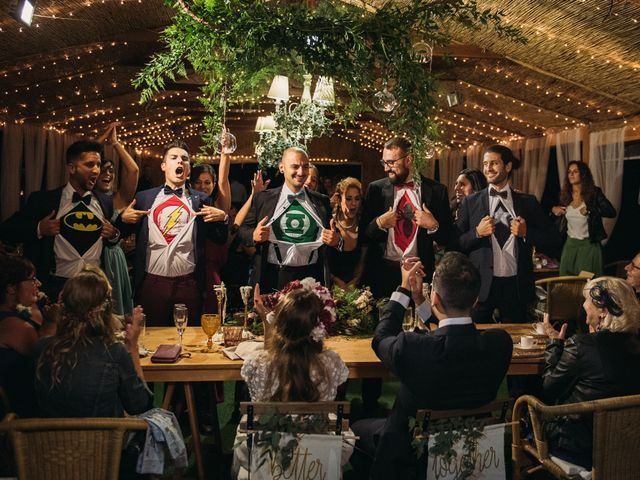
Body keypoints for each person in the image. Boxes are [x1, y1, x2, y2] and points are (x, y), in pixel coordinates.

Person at [351, 252, 512, 479]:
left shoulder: (413, 348)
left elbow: (381, 338)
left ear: (435, 299)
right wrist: (419, 300)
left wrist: (404, 289)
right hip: (472, 439)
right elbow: (447, 330)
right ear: (475, 300)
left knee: (357, 429)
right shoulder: (499, 344)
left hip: (412, 447)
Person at [232, 284, 351, 478]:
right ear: (319, 325)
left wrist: (265, 319)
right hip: (317, 456)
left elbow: (271, 356)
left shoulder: (257, 363)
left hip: (266, 455)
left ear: (278, 322)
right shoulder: (331, 363)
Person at [117, 140, 228, 326]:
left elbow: (219, 238)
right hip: (152, 284)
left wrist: (223, 218)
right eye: (174, 158)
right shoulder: (144, 198)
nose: (180, 162)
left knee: (188, 342)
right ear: (163, 165)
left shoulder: (201, 200)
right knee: (150, 338)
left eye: (184, 159)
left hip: (189, 284)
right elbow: (118, 233)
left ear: (188, 169)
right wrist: (123, 219)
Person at [0, 140, 120, 301]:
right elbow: (6, 230)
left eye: (98, 164)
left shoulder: (105, 202)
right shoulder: (43, 200)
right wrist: (39, 228)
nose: (96, 170)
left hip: (94, 285)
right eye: (90, 164)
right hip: (55, 285)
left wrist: (113, 234)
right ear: (71, 168)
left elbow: (114, 240)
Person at [453, 144, 561, 323]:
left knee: (514, 343)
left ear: (508, 166)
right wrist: (477, 233)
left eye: (494, 163)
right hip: (481, 288)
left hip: (516, 287)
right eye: (486, 163)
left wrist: (527, 233)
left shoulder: (528, 202)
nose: (488, 168)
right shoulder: (470, 203)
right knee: (476, 343)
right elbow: (454, 243)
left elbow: (554, 239)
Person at [542, 276, 640, 469]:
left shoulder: (581, 346)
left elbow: (549, 388)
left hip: (578, 447)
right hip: (628, 447)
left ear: (603, 310)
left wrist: (555, 345)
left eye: (587, 300)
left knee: (527, 408)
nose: (584, 304)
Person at [34, 267, 152, 418]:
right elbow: (139, 405)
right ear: (105, 310)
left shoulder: (42, 348)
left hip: (49, 440)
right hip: (106, 440)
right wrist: (132, 347)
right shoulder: (114, 352)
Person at [237, 147, 341, 293]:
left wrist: (336, 241)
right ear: (282, 167)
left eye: (305, 166)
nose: (301, 172)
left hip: (311, 278)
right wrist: (253, 235)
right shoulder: (263, 198)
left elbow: (338, 239)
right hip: (273, 277)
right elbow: (241, 231)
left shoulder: (321, 201)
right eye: (295, 166)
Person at [360, 136, 451, 298]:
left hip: (420, 274)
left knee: (419, 322)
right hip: (384, 274)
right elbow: (363, 235)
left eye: (391, 162)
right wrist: (379, 223)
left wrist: (433, 226)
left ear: (408, 160)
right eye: (384, 162)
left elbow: (448, 238)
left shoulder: (437, 191)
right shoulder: (375, 189)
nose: (386, 168)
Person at [0, 254, 55, 417]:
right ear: (11, 288)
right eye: (32, 279)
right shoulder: (17, 327)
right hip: (24, 412)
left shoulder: (13, 315)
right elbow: (52, 360)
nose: (38, 284)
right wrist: (52, 322)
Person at [94, 123, 139, 315]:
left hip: (115, 259)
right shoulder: (88, 197)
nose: (108, 174)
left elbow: (134, 171)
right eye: (103, 170)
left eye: (111, 170)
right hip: (95, 260)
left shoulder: (117, 199)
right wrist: (99, 141)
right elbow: (84, 156)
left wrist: (115, 144)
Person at [552, 161, 616, 277]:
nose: (571, 174)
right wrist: (553, 210)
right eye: (569, 172)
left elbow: (611, 212)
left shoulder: (594, 193)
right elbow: (558, 218)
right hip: (570, 245)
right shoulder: (565, 194)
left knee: (584, 283)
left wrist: (590, 210)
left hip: (588, 245)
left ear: (583, 174)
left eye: (575, 171)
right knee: (565, 281)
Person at [189, 153, 232, 314]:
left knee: (211, 313)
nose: (202, 187)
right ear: (191, 184)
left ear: (213, 185)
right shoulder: (187, 205)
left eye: (207, 182)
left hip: (211, 271)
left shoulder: (219, 205)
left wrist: (225, 153)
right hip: (189, 271)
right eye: (198, 182)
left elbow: (223, 179)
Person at [330, 177, 366, 289]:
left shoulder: (363, 226)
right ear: (339, 200)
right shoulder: (330, 224)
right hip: (330, 288)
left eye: (357, 199)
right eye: (349, 199)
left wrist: (355, 281)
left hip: (356, 289)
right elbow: (321, 261)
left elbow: (363, 260)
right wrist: (335, 281)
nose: (353, 204)